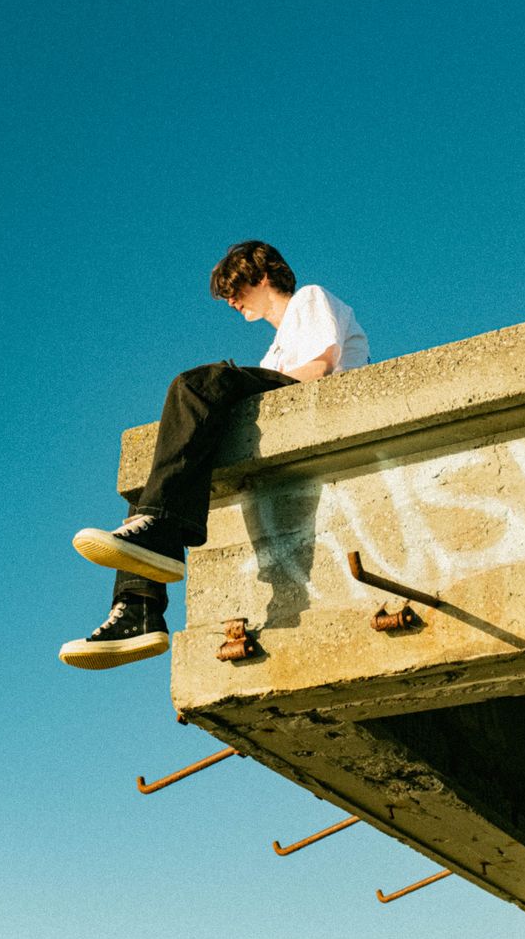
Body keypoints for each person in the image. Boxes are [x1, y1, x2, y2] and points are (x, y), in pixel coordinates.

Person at [59, 240, 369, 670]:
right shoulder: (275, 349)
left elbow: (318, 370)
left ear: (262, 275)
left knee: (195, 387)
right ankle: (140, 610)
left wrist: (227, 390)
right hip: (279, 399)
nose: (229, 300)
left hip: (318, 405)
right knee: (158, 470)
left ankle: (161, 531)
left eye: (234, 288)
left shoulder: (309, 299)